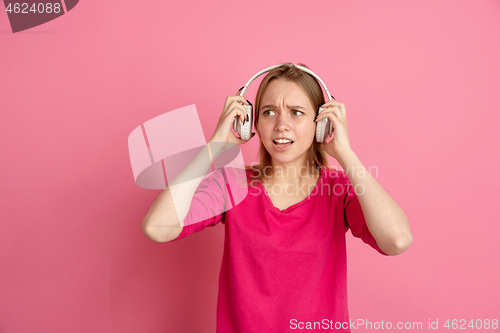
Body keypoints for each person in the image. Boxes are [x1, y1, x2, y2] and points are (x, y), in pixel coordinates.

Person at [141, 63, 413, 332]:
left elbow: (397, 240)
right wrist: (215, 146)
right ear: (252, 122)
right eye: (269, 112)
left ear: (321, 124)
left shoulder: (338, 190)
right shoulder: (231, 184)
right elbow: (157, 227)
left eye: (296, 113)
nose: (281, 125)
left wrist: (344, 153)